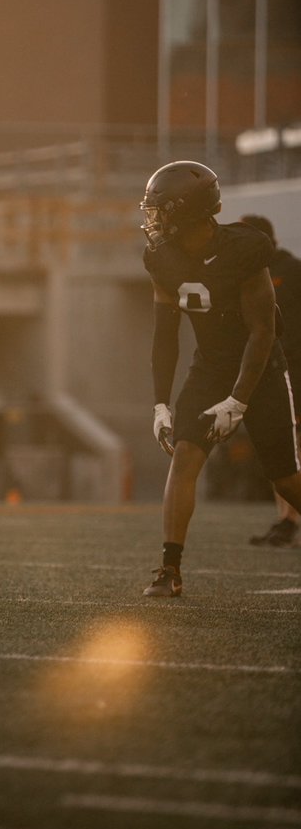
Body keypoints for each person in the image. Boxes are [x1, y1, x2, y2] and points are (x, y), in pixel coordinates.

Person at [139, 161, 301, 597]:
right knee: (185, 456)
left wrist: (239, 401)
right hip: (209, 367)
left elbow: (263, 331)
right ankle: (170, 569)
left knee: (284, 478)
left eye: (161, 210)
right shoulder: (161, 257)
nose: (154, 219)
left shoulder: (244, 248)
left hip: (261, 367)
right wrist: (160, 403)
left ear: (188, 211)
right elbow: (165, 336)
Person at [240, 214, 301, 547]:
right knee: (280, 448)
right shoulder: (248, 272)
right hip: (271, 371)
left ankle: (289, 520)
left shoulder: (292, 271)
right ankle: (284, 520)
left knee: (293, 447)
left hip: (296, 370)